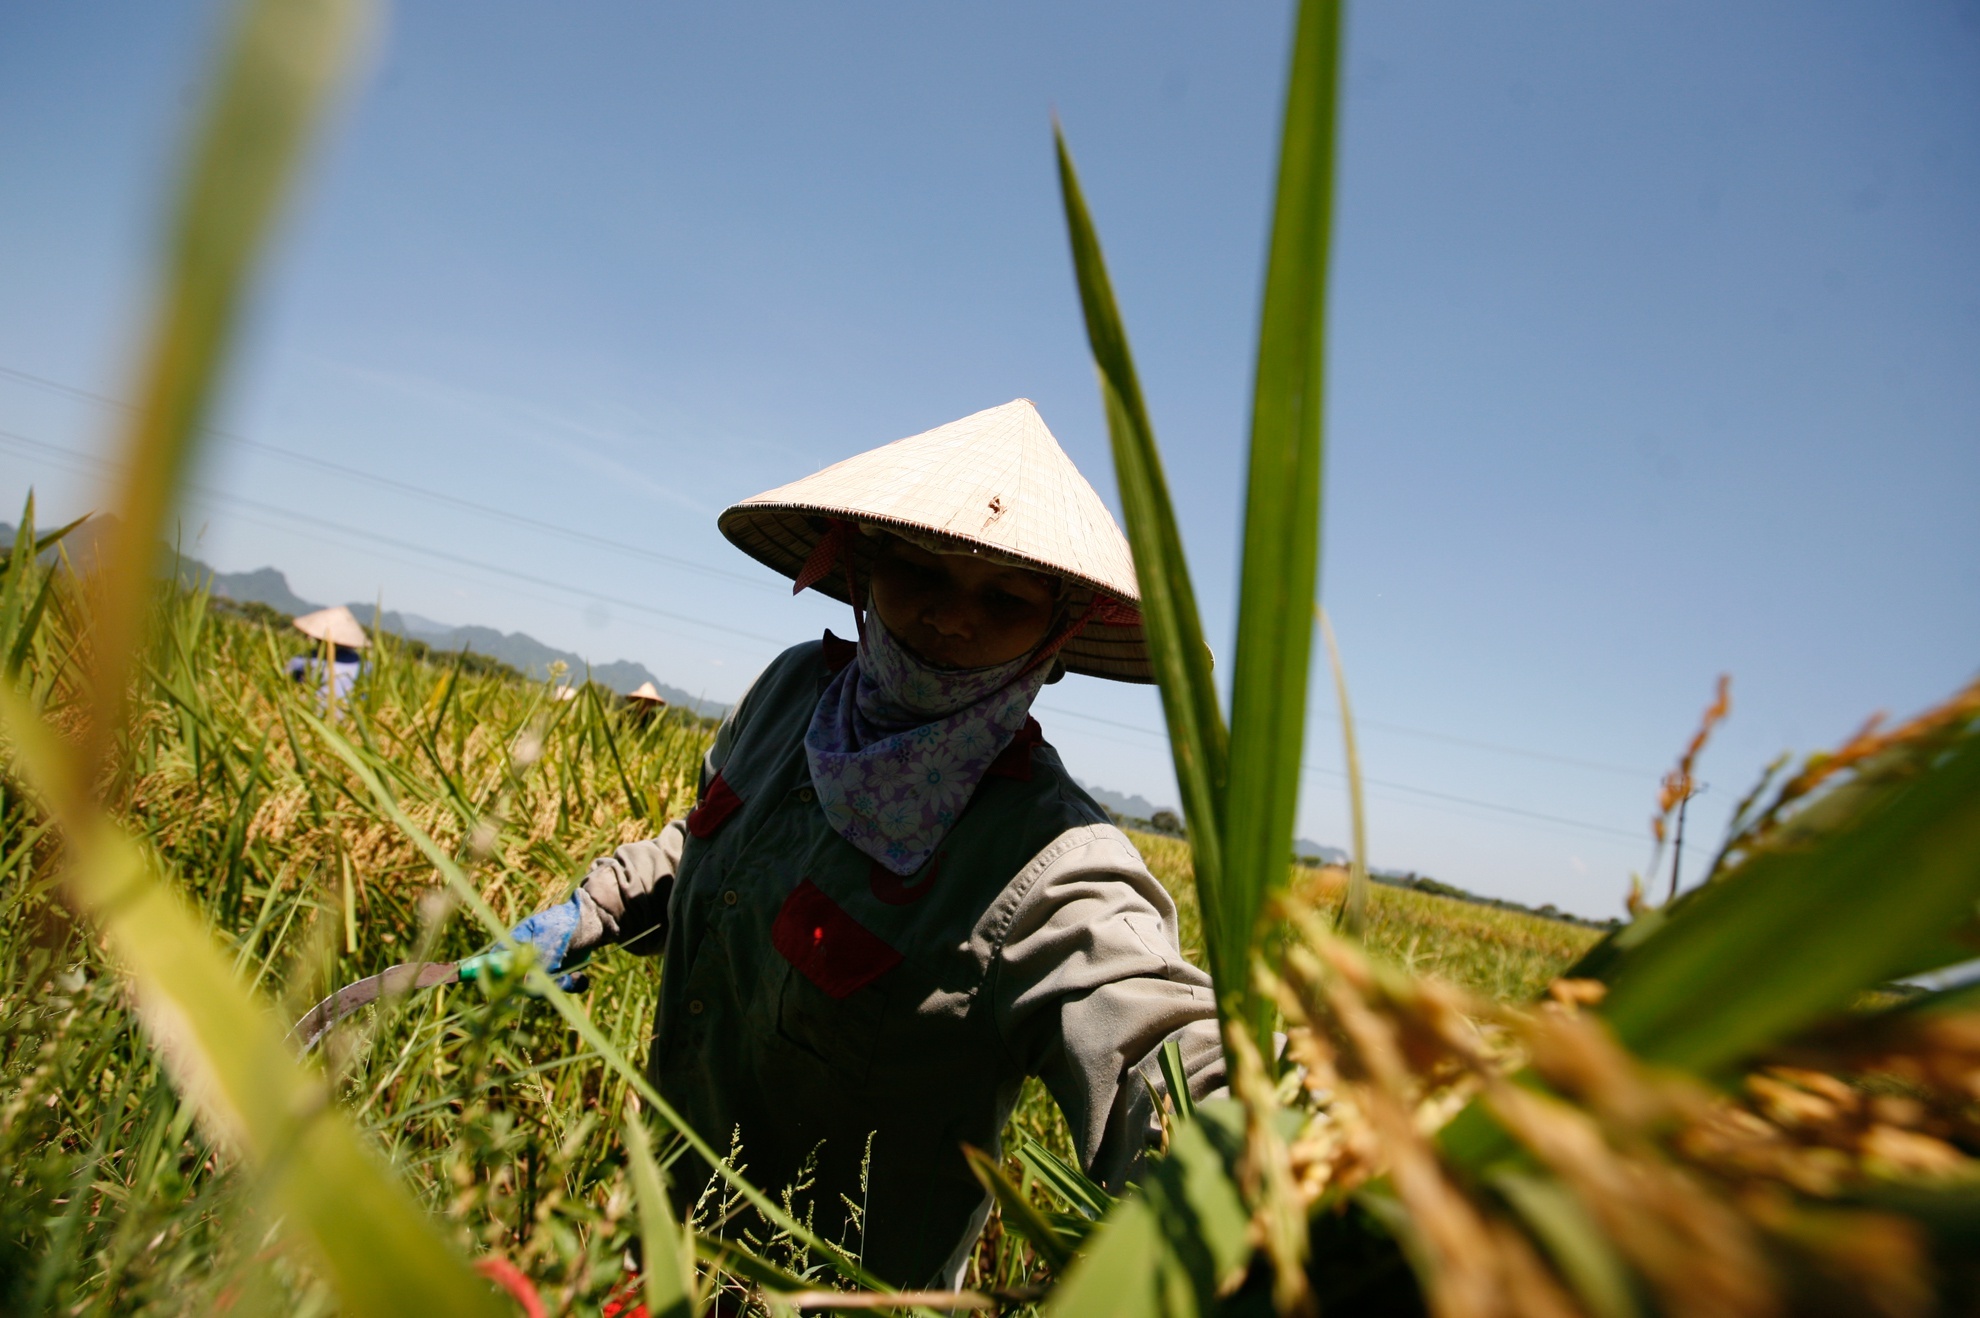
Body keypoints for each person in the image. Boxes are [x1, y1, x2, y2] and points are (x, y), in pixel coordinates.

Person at [505, 399, 1222, 1287]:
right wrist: (596, 908)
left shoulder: (1050, 859)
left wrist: (1275, 1148)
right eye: (920, 570)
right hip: (656, 1230)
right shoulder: (793, 694)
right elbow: (711, 837)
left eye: (1005, 600)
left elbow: (1153, 1034)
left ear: (1058, 629)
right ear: (862, 564)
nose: (951, 619)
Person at [284, 605, 367, 704]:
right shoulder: (365, 665)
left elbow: (284, 680)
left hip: (315, 707)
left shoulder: (304, 659)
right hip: (351, 709)